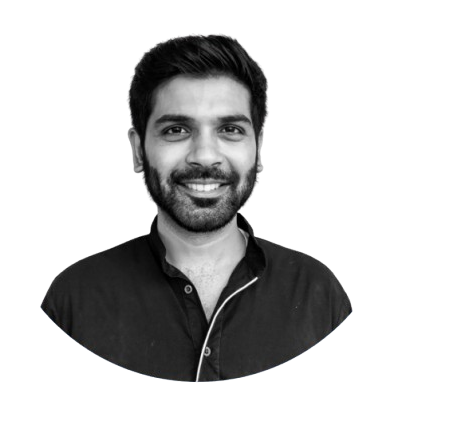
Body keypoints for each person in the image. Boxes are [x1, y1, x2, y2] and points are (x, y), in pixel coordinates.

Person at [40, 33, 352, 382]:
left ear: (258, 149)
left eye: (230, 129)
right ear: (138, 150)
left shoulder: (319, 295)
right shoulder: (73, 300)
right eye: (176, 129)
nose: (204, 156)